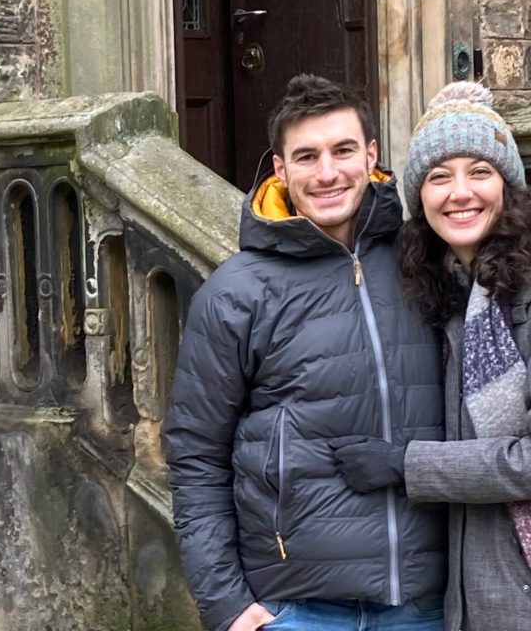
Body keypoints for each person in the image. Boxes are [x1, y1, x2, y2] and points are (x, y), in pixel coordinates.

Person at [163, 74, 447, 631]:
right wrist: (224, 605)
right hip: (297, 611)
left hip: (426, 605)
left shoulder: (425, 262)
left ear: (371, 156)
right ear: (280, 170)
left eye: (343, 151)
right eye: (307, 156)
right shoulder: (236, 292)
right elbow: (196, 454)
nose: (326, 172)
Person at [331, 81, 531, 631]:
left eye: (480, 172)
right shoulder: (450, 299)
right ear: (419, 196)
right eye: (439, 177)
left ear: (508, 186)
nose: (459, 192)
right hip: (469, 599)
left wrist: (405, 464)